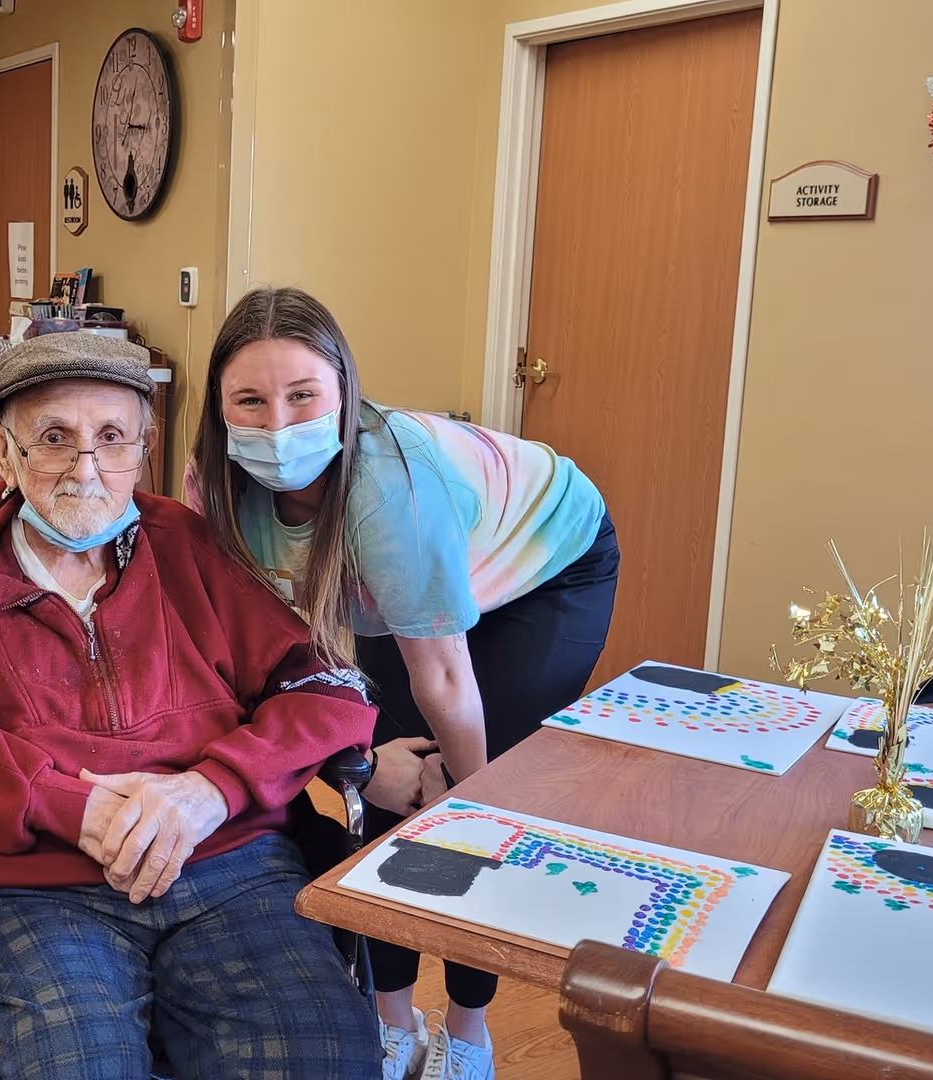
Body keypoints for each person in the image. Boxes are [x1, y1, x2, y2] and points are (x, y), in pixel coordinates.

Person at [0, 330, 382, 1080]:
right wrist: (61, 804)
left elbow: (325, 688)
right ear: (3, 449)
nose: (86, 469)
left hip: (225, 863)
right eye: (54, 438)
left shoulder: (185, 544)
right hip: (23, 884)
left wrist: (211, 788)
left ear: (144, 450)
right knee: (74, 1064)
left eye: (112, 438)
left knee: (321, 1054)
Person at [189, 287, 621, 1080]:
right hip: (393, 595)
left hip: (543, 572)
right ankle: (394, 1024)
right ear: (218, 410)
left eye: (303, 395)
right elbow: (254, 664)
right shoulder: (214, 491)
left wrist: (467, 799)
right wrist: (359, 757)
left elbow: (448, 681)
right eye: (249, 400)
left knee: (465, 792)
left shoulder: (388, 493)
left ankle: (467, 1030)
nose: (277, 425)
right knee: (380, 787)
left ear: (345, 394)